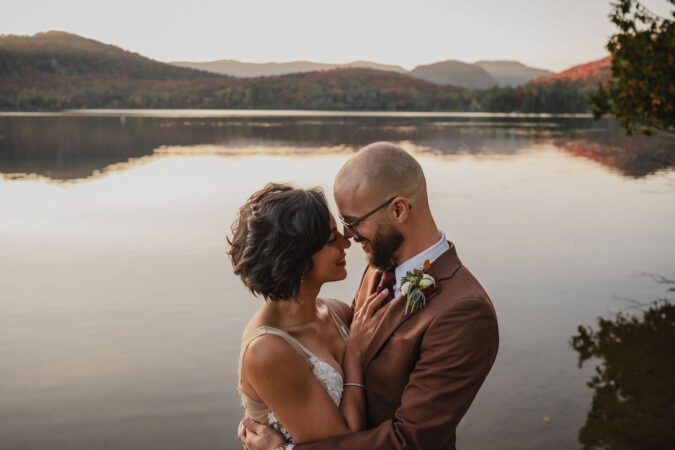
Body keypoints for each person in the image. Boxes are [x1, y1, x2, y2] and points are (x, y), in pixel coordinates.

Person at [239, 142, 499, 450]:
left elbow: (411, 442)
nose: (348, 237)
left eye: (352, 222)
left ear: (399, 210)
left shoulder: (465, 311)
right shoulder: (378, 266)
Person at [230, 183, 392, 445]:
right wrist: (354, 356)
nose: (345, 242)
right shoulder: (267, 350)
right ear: (296, 258)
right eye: (331, 240)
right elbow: (345, 443)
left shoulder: (338, 312)